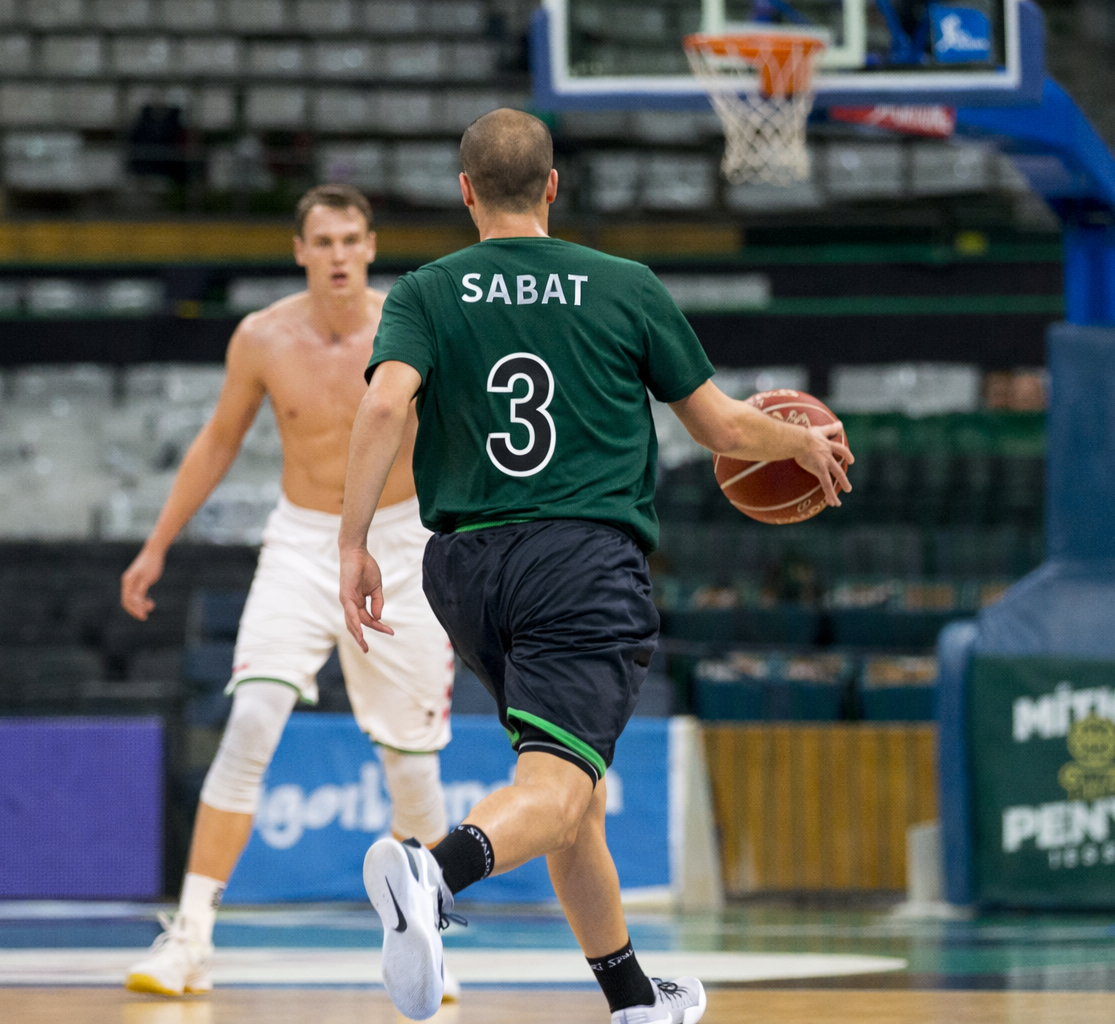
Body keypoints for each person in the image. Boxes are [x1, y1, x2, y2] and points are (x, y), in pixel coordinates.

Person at [337, 109, 853, 1023]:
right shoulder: (624, 286)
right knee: (557, 785)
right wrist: (801, 444)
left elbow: (382, 411)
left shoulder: (424, 291)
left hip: (462, 569)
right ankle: (432, 869)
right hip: (578, 559)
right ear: (553, 186)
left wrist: (352, 542)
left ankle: (631, 996)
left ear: (465, 194)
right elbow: (723, 429)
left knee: (576, 787)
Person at [120, 184, 458, 1001]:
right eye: (324, 241)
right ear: (300, 251)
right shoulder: (262, 337)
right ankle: (191, 936)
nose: (339, 254)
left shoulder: (411, 322)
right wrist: (157, 543)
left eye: (352, 239)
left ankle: (427, 945)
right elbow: (217, 442)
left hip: (404, 545)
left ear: (371, 247)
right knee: (250, 721)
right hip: (304, 544)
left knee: (410, 767)